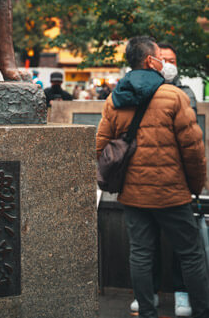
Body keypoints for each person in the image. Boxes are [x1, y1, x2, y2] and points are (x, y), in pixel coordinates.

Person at [97, 36, 209, 318]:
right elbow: (193, 150)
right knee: (191, 253)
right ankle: (202, 309)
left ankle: (147, 311)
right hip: (172, 193)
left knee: (141, 253)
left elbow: (100, 147)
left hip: (133, 196)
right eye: (160, 56)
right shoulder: (174, 96)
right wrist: (195, 187)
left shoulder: (114, 99)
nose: (164, 62)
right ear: (150, 61)